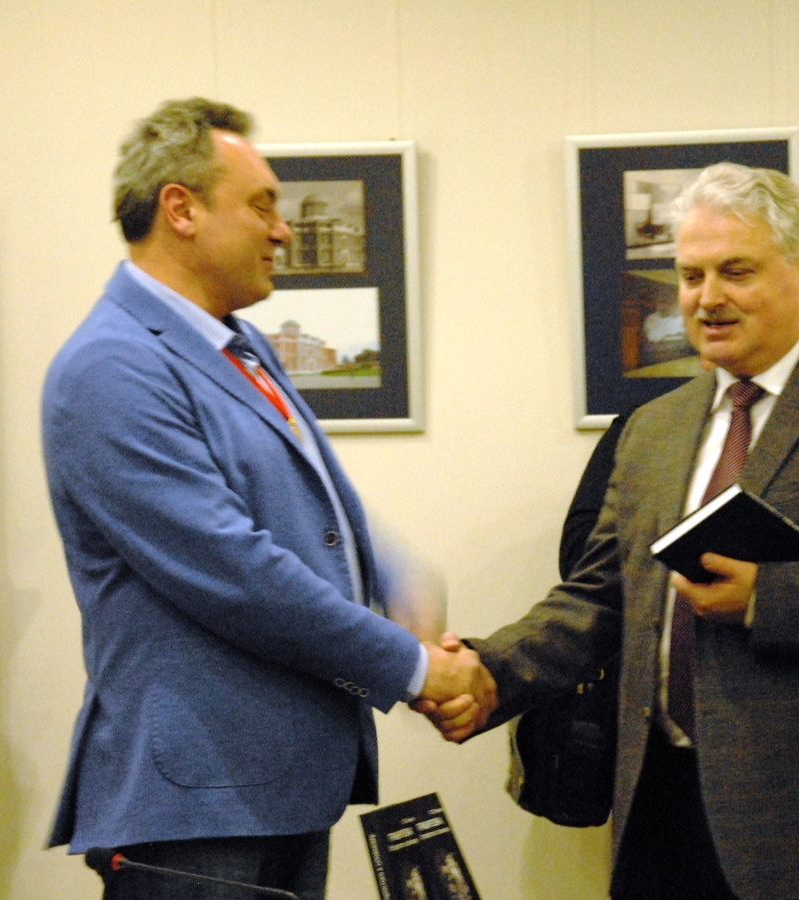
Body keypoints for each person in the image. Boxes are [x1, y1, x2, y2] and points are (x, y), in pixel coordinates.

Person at [424, 162, 799, 900]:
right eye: (691, 276)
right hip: (663, 808)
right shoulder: (652, 428)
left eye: (736, 271)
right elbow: (601, 596)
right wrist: (490, 670)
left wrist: (766, 598)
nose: (708, 297)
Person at [43, 98, 494, 900]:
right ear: (181, 209)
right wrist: (415, 669)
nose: (282, 231)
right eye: (261, 205)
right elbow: (234, 571)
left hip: (273, 790)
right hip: (197, 808)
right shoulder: (111, 367)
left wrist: (402, 590)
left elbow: (327, 514)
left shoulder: (240, 345)